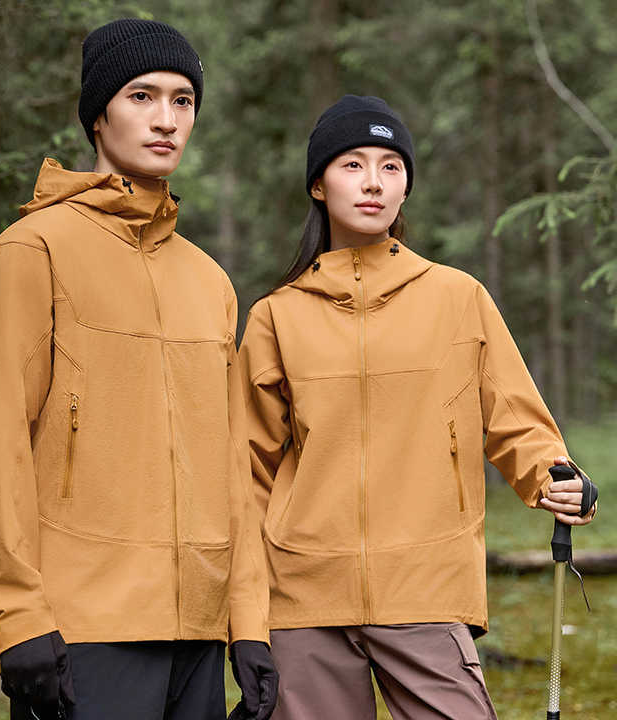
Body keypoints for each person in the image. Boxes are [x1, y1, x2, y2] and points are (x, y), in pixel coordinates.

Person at [237, 95, 597, 720]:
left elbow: (517, 421)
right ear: (318, 185)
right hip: (302, 597)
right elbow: (246, 474)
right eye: (352, 164)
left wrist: (554, 478)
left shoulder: (458, 298)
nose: (373, 182)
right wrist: (245, 617)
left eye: (391, 166)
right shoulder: (276, 316)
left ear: (406, 187)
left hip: (427, 587)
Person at [0, 18, 278, 720]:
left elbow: (230, 464)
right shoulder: (32, 251)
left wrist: (249, 622)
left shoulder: (209, 282)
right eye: (142, 96)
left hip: (197, 632)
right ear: (98, 116)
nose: (166, 119)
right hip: (80, 629)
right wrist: (19, 615)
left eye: (183, 100)